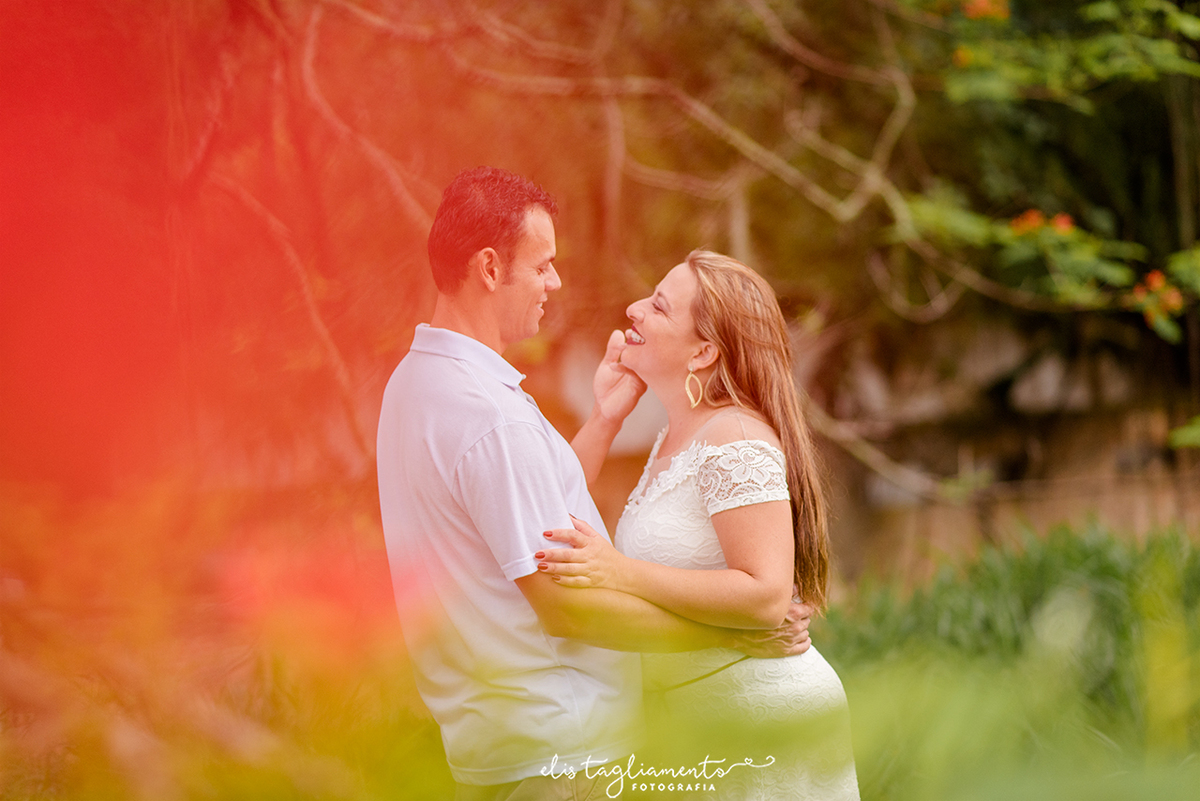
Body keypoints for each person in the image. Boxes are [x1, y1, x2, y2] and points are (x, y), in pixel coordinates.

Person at [377, 169, 813, 801]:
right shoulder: (490, 416)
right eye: (543, 266)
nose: (555, 283)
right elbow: (570, 607)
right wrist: (732, 637)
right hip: (567, 760)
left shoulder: (416, 385)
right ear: (491, 268)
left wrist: (606, 417)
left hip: (508, 751)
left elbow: (529, 514)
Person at [536, 250, 861, 800]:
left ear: (705, 350)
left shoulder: (734, 437)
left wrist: (619, 572)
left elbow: (765, 594)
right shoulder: (674, 437)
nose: (634, 310)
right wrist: (605, 418)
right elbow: (550, 515)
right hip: (704, 727)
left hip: (764, 723)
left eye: (659, 307)